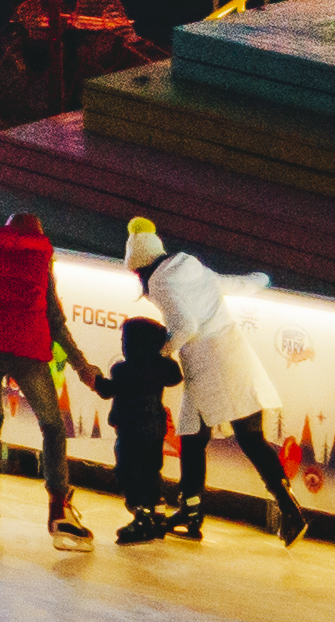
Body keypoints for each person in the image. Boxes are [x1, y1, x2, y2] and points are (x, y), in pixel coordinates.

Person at [122, 221, 302, 548]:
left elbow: (186, 326)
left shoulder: (160, 282)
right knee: (198, 436)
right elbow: (231, 284)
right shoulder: (189, 265)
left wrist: (160, 354)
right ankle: (192, 512)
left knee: (235, 439)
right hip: (233, 353)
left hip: (209, 364)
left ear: (140, 265)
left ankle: (287, 512)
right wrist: (264, 278)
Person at [0, 212, 101, 545]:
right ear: (37, 235)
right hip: (27, 351)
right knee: (52, 425)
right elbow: (55, 322)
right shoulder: (40, 263)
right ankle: (58, 509)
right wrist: (83, 367)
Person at [103, 316, 185, 544]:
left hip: (130, 429)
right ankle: (157, 513)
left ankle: (141, 515)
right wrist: (164, 354)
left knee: (127, 472)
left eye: (125, 339)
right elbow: (175, 376)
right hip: (154, 429)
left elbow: (108, 390)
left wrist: (96, 381)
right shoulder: (162, 368)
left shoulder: (122, 370)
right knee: (151, 471)